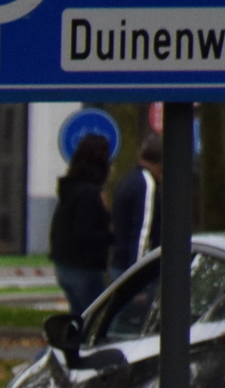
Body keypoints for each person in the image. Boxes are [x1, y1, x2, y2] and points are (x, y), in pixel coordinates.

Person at [47, 133, 114, 315]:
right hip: (83, 266)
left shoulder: (70, 189)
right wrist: (112, 235)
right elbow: (85, 232)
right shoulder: (89, 194)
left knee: (78, 317)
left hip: (64, 264)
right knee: (95, 317)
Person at [109, 132, 161, 269]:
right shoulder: (146, 184)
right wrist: (137, 276)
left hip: (120, 262)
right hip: (133, 267)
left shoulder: (129, 179)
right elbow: (142, 231)